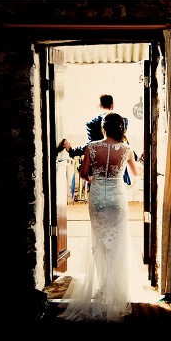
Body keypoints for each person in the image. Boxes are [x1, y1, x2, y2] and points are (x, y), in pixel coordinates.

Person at [59, 112, 140, 322]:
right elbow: (135, 174)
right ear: (121, 128)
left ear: (103, 128)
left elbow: (84, 173)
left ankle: (101, 289)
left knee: (99, 243)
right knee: (117, 243)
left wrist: (96, 180)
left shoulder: (92, 147)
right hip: (116, 198)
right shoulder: (126, 149)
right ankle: (115, 293)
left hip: (97, 199)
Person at [58, 94, 134, 186]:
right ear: (112, 106)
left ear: (98, 106)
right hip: (117, 169)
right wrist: (136, 157)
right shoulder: (123, 120)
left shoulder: (91, 123)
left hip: (99, 168)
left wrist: (72, 151)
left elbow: (90, 145)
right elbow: (123, 142)